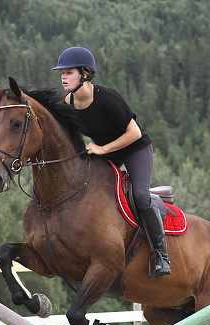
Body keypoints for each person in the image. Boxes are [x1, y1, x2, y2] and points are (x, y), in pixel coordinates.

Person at [52, 46, 171, 279]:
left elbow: (134, 133)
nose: (63, 77)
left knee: (139, 194)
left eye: (69, 72)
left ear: (85, 74)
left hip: (135, 149)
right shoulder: (68, 103)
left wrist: (102, 149)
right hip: (106, 152)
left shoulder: (107, 97)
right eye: (62, 73)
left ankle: (162, 255)